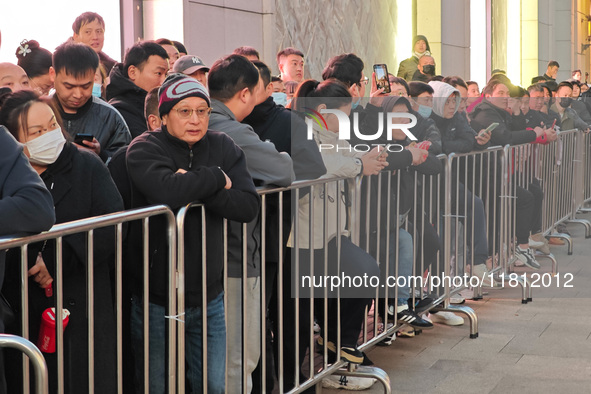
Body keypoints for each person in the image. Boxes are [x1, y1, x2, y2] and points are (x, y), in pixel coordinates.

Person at [126, 73, 260, 394]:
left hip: (209, 294)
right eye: (184, 111)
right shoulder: (144, 147)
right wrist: (215, 177)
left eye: (202, 111)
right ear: (164, 116)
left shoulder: (223, 145)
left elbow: (246, 206)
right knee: (157, 384)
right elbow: (166, 190)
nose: (195, 120)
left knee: (213, 385)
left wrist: (200, 184)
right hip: (155, 297)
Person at [0, 90, 122, 393]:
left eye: (52, 125)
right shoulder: (10, 179)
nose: (49, 135)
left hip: (81, 303)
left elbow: (112, 227)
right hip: (24, 308)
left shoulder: (87, 166)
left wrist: (57, 259)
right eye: (37, 132)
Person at [208, 54, 294, 393]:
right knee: (239, 356)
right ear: (245, 94)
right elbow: (283, 169)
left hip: (215, 257)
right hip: (236, 258)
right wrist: (277, 152)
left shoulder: (215, 125)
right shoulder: (232, 132)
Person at [243, 60, 326, 393]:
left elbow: (314, 166)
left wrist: (273, 181)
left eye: (253, 87)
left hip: (281, 233)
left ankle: (290, 380)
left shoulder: (290, 121)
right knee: (253, 317)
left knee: (289, 313)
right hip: (242, 236)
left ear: (267, 88)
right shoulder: (224, 121)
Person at [290, 78, 382, 365]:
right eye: (344, 115)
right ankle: (319, 358)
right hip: (304, 237)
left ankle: (339, 343)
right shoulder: (302, 132)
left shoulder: (333, 137)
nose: (347, 122)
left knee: (364, 272)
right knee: (302, 315)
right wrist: (359, 165)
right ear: (321, 110)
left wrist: (374, 157)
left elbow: (348, 155)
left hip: (330, 233)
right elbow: (320, 166)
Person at [470, 79, 549, 269]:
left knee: (517, 204)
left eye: (507, 93)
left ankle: (515, 248)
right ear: (488, 96)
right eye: (501, 93)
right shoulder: (486, 113)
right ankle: (507, 251)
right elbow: (506, 137)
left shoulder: (499, 112)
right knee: (508, 208)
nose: (506, 97)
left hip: (499, 173)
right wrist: (534, 134)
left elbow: (515, 130)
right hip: (485, 175)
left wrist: (515, 112)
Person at [51, 42, 131, 163]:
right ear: (53, 74)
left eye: (86, 86)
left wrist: (101, 155)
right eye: (69, 86)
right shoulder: (38, 112)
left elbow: (125, 163)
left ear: (94, 77)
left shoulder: (110, 117)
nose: (78, 95)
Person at [107, 41, 169, 138]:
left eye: (166, 74)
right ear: (133, 72)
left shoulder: (164, 102)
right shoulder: (120, 110)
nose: (164, 81)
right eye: (159, 73)